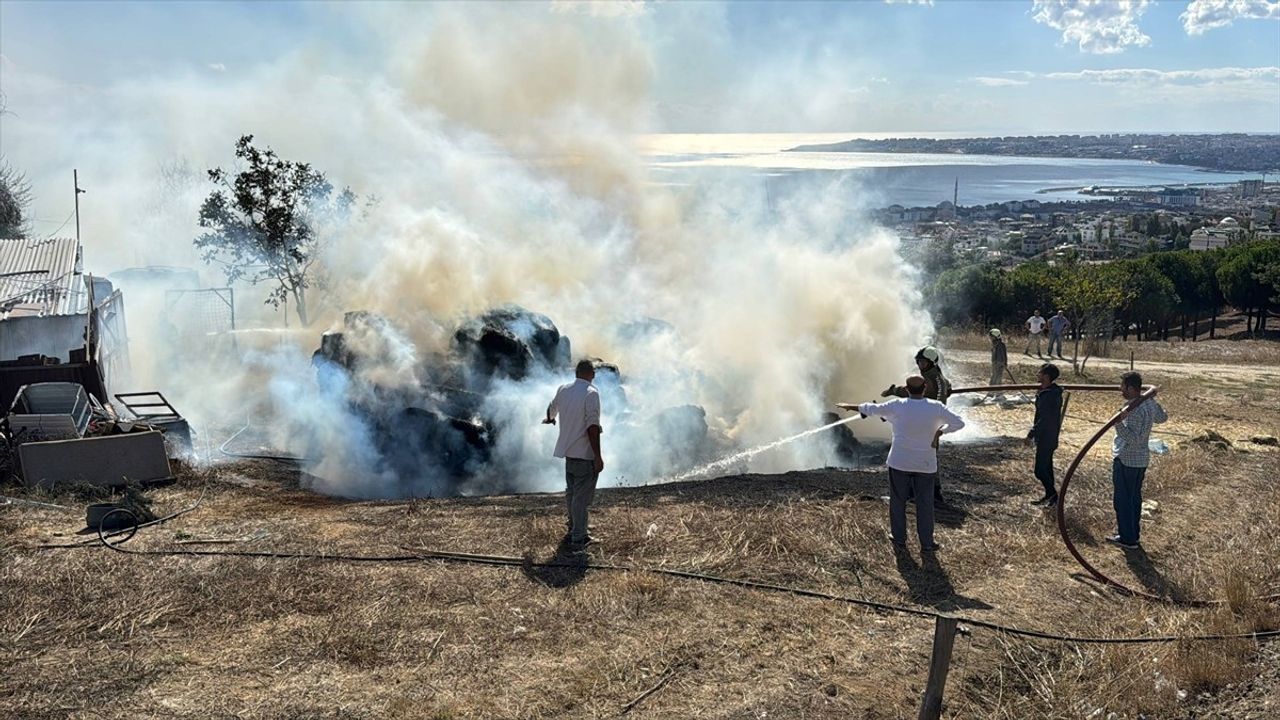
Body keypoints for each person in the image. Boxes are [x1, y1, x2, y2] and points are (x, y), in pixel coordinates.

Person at [838, 376, 965, 551]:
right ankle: (927, 543)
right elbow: (959, 422)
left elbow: (872, 409)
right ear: (925, 387)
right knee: (925, 504)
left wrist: (850, 406)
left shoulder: (898, 405)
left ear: (906, 389)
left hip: (900, 462)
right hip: (925, 465)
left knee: (898, 501)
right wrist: (941, 432)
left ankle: (899, 539)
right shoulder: (936, 407)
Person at [543, 359, 605, 548]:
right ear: (591, 373)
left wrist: (549, 419)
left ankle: (575, 526)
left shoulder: (563, 389)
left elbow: (551, 408)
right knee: (581, 498)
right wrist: (598, 455)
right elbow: (592, 426)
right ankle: (579, 537)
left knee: (572, 493)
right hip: (584, 454)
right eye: (594, 372)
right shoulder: (591, 393)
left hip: (568, 452)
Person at [884, 346, 952, 503]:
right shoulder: (935, 377)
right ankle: (922, 492)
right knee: (919, 457)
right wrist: (894, 391)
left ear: (931, 363)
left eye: (923, 362)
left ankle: (931, 493)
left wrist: (936, 430)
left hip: (928, 426)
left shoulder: (935, 380)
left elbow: (938, 405)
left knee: (923, 458)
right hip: (921, 423)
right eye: (919, 362)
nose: (920, 365)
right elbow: (915, 391)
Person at [1108, 372, 1167, 550]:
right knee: (1133, 499)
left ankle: (1127, 538)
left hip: (1127, 459)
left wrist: (1117, 422)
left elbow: (1134, 439)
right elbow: (1163, 418)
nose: (1120, 390)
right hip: (1141, 460)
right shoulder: (1148, 404)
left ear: (1132, 388)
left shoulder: (1133, 409)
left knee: (1123, 500)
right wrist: (1152, 398)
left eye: (1123, 387)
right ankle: (1132, 535)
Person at [1025, 363, 1063, 507]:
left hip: (1047, 436)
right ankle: (1050, 497)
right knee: (1047, 468)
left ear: (1046, 376)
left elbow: (1043, 419)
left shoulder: (1049, 395)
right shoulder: (1048, 391)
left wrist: (1031, 434)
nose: (1038, 375)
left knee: (1039, 470)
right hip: (1048, 436)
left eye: (1040, 373)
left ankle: (1053, 496)